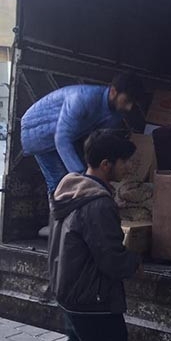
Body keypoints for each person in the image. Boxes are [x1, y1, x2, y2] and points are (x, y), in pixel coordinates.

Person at [48, 130, 141, 341]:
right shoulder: (97, 204)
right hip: (93, 302)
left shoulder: (69, 193)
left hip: (70, 296)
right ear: (106, 164)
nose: (129, 167)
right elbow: (111, 259)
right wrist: (134, 261)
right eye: (124, 162)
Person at [20, 73, 143, 193]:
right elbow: (62, 139)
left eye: (132, 103)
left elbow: (99, 142)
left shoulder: (117, 112)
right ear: (113, 92)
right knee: (60, 181)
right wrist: (82, 176)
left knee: (83, 174)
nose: (129, 107)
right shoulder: (82, 99)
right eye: (127, 100)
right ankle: (59, 212)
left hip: (72, 133)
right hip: (39, 131)